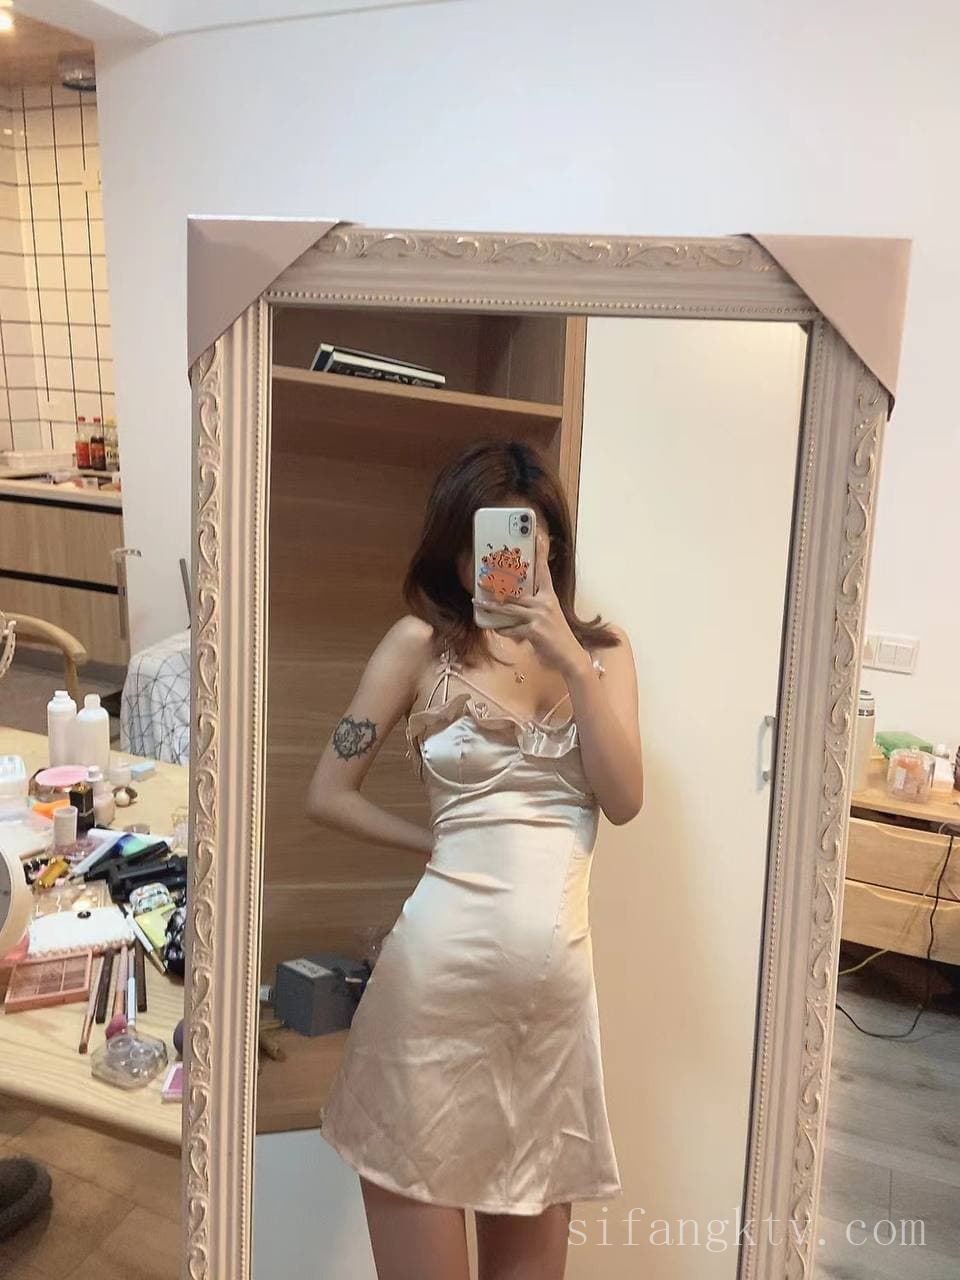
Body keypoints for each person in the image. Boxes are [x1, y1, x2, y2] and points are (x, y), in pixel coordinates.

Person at [306, 439, 644, 1280]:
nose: (494, 562)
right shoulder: (419, 647)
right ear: (454, 553)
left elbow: (624, 798)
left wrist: (571, 661)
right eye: (475, 543)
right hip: (428, 1012)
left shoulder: (603, 655)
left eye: (521, 538)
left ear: (550, 546)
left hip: (548, 1034)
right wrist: (437, 842)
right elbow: (328, 792)